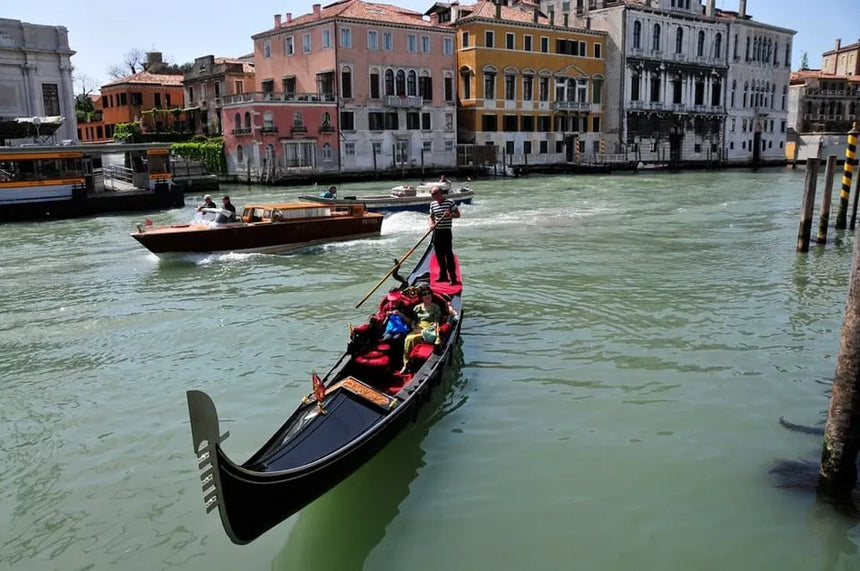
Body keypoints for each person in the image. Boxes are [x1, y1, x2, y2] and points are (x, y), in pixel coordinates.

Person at [401, 285, 442, 369]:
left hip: (429, 330)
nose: (427, 295)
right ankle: (406, 363)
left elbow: (436, 323)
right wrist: (414, 327)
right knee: (408, 338)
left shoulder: (436, 308)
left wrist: (423, 330)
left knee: (411, 339)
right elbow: (414, 321)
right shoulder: (417, 308)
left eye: (429, 293)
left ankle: (409, 363)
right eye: (424, 294)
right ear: (421, 297)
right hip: (417, 328)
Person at [429, 186, 460, 284]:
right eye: (432, 194)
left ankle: (453, 278)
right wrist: (431, 224)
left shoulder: (450, 202)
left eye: (436, 193)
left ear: (441, 193)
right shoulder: (433, 204)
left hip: (446, 232)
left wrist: (450, 215)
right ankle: (443, 276)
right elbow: (431, 217)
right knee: (439, 255)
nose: (434, 196)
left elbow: (458, 215)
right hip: (437, 232)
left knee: (448, 255)